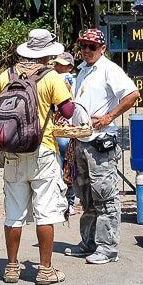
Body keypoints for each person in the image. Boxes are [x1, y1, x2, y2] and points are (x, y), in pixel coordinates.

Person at [0, 27, 76, 285]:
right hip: (42, 150)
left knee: (14, 212)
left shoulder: (8, 75)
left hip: (12, 153)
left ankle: (11, 267)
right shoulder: (52, 77)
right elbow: (68, 112)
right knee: (45, 211)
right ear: (48, 54)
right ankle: (45, 270)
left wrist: (1, 138)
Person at [70, 26, 140, 265]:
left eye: (91, 46)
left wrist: (110, 116)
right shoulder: (82, 70)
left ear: (102, 48)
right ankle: (89, 242)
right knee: (86, 195)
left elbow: (132, 94)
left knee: (105, 195)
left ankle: (108, 248)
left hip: (100, 142)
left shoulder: (109, 69)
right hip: (81, 140)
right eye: (83, 46)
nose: (86, 50)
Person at [54, 51, 78, 216]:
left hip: (63, 127)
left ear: (69, 66)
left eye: (60, 64)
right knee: (70, 165)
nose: (56, 66)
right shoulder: (77, 80)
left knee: (62, 164)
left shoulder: (63, 79)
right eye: (56, 63)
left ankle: (64, 201)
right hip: (69, 127)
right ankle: (68, 202)